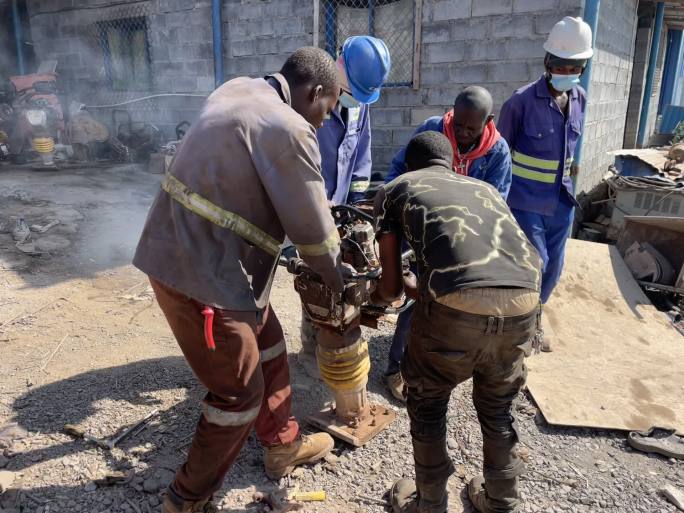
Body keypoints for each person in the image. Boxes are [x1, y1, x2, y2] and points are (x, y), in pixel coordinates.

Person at [133, 47, 346, 513]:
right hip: (200, 274)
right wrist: (341, 280)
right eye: (327, 110)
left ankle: (282, 444)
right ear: (312, 93)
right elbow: (314, 233)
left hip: (188, 250)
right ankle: (186, 500)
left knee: (267, 337)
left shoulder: (239, 88)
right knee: (238, 394)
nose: (325, 122)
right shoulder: (290, 129)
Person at [372, 131, 542, 513]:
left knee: (429, 403)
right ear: (449, 164)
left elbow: (389, 287)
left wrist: (374, 298)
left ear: (411, 164)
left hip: (455, 313)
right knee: (498, 407)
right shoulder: (484, 188)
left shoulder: (397, 188)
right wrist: (427, 289)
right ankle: (501, 501)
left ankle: (429, 504)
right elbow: (490, 268)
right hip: (525, 301)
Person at [382, 86, 512, 401]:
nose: (464, 134)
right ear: (450, 114)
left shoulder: (497, 152)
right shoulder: (432, 130)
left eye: (472, 128)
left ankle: (423, 363)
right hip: (420, 222)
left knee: (438, 300)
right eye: (459, 126)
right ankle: (395, 369)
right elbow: (400, 169)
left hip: (461, 236)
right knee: (405, 289)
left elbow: (496, 203)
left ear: (488, 121)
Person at [498, 16, 594, 351]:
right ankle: (520, 330)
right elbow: (498, 151)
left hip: (561, 202)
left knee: (554, 268)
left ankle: (534, 317)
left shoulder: (580, 98)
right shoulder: (520, 102)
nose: (567, 73)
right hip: (524, 201)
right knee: (534, 264)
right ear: (548, 61)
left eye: (575, 67)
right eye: (562, 66)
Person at [297, 35, 391, 378]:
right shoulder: (308, 100)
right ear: (339, 68)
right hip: (306, 209)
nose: (354, 100)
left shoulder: (360, 106)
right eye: (351, 92)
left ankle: (335, 341)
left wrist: (355, 206)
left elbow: (361, 155)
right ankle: (311, 350)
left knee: (346, 273)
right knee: (313, 276)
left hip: (340, 206)